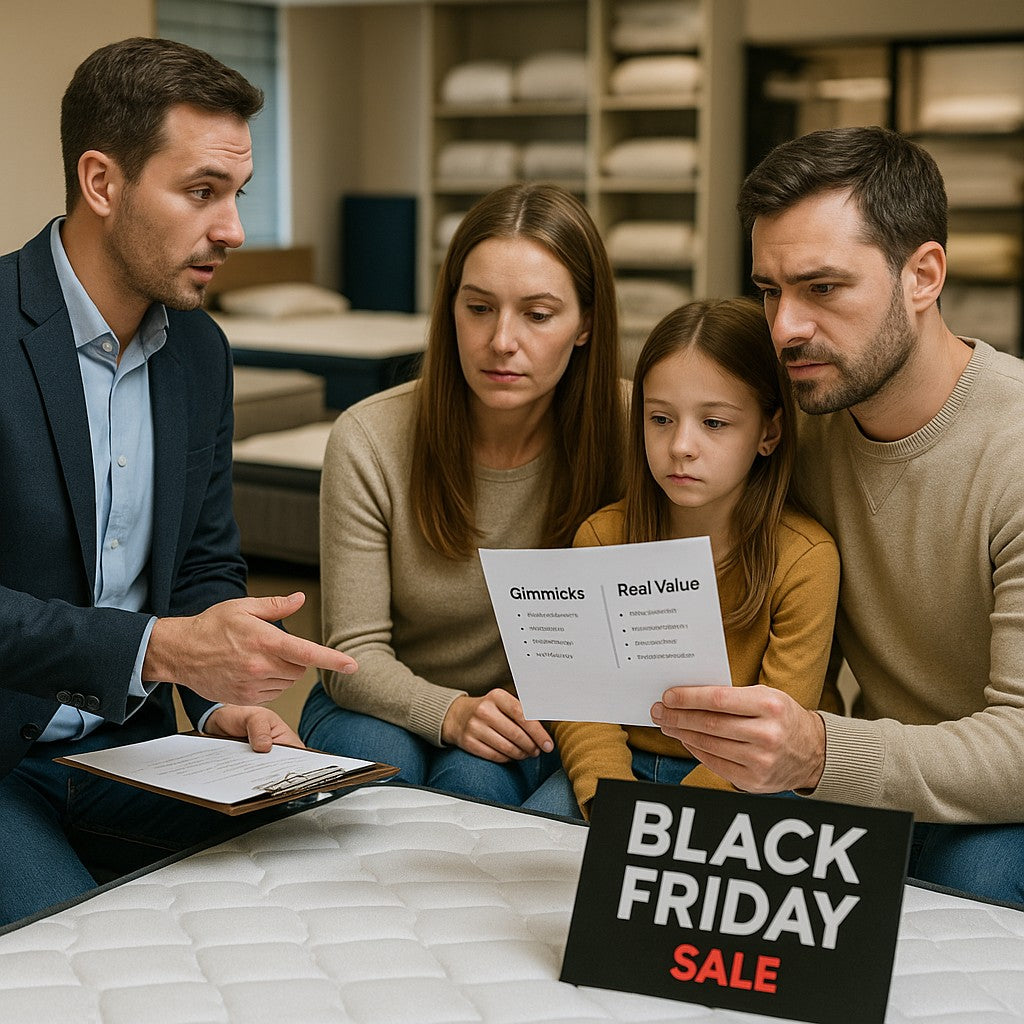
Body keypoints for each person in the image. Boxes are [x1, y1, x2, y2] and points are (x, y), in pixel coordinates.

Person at [0, 37, 357, 927]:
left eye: (236, 194)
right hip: (2, 764)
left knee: (314, 901)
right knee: (80, 945)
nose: (233, 228)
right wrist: (157, 651)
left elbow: (204, 567)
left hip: (136, 750)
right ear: (101, 181)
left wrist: (213, 709)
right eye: (202, 192)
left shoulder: (200, 353)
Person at [652, 125, 1024, 906]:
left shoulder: (1013, 450)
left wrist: (818, 752)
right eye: (768, 290)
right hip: (869, 771)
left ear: (923, 275)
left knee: (972, 879)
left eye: (822, 288)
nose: (784, 327)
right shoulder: (796, 420)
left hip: (989, 796)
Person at [300, 183, 625, 805]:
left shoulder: (637, 428)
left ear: (584, 323)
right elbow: (353, 654)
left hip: (533, 716)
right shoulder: (370, 436)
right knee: (382, 769)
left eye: (537, 314)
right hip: (380, 701)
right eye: (479, 308)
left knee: (473, 785)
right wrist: (450, 712)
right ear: (451, 308)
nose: (502, 340)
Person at [524, 298, 839, 819]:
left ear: (768, 432)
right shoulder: (603, 538)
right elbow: (583, 707)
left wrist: (677, 821)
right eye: (661, 419)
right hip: (619, 767)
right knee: (535, 856)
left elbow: (777, 727)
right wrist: (609, 799)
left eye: (714, 423)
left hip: (749, 780)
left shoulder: (805, 558)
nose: (681, 446)